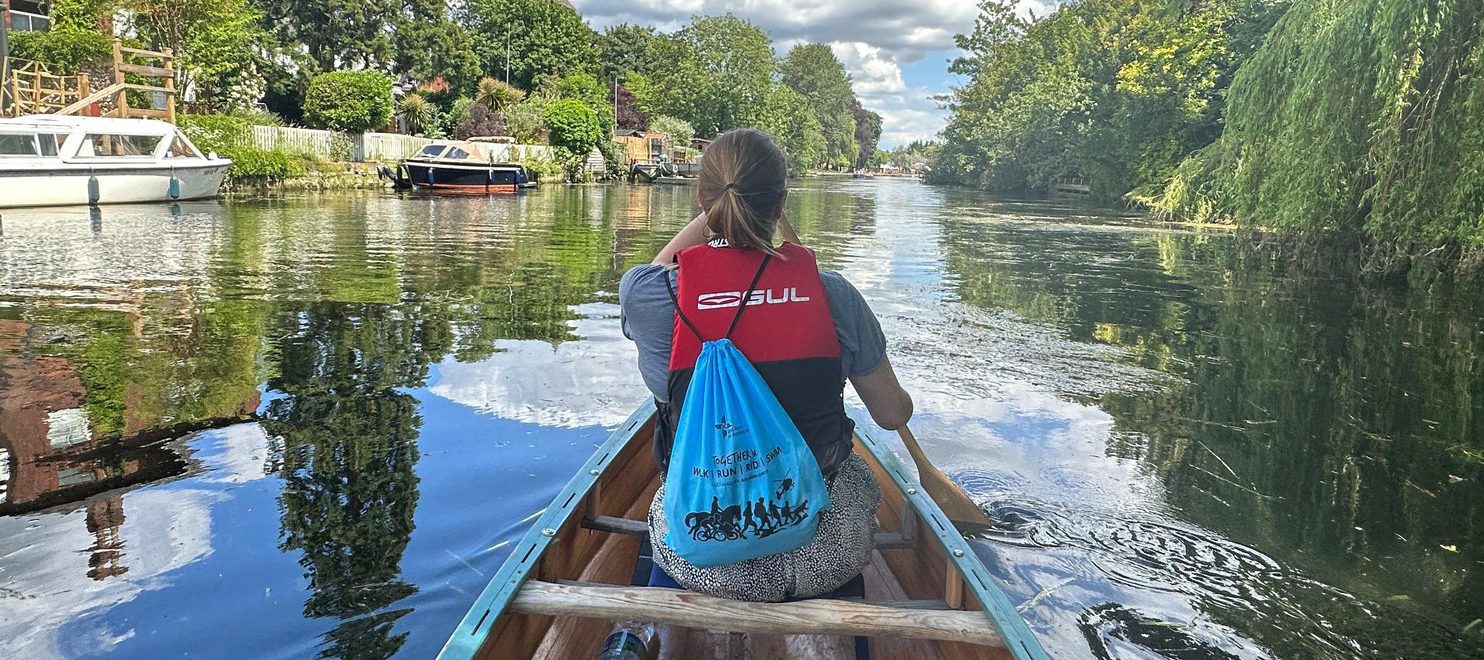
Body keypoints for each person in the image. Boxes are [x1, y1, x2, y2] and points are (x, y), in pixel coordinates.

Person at [618, 128, 913, 602]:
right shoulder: (833, 294)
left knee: (660, 502)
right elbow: (892, 415)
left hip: (703, 551)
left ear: (701, 199)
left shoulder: (649, 295)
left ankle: (635, 628)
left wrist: (714, 212)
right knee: (857, 474)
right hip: (825, 553)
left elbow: (659, 270)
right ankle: (852, 628)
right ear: (780, 205)